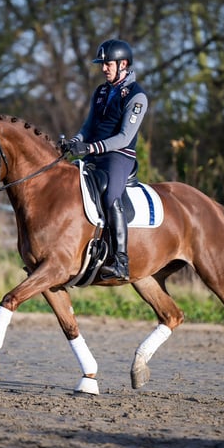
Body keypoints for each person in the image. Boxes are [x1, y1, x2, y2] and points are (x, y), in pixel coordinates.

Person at [62, 38, 148, 282]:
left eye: (107, 64)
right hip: (94, 153)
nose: (103, 68)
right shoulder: (100, 92)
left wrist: (90, 147)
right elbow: (89, 126)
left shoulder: (137, 96)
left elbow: (123, 137)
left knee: (111, 196)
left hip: (119, 157)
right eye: (102, 64)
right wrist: (74, 141)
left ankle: (121, 260)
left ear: (123, 64)